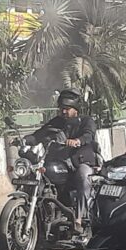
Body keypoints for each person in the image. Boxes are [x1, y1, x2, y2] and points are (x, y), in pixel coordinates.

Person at [26, 89, 96, 238]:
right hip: (60, 162)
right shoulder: (56, 122)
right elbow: (39, 134)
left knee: (84, 177)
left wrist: (78, 141)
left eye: (66, 109)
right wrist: (24, 140)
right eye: (61, 108)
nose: (63, 111)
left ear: (75, 109)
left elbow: (88, 135)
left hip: (81, 161)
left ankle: (79, 217)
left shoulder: (86, 121)